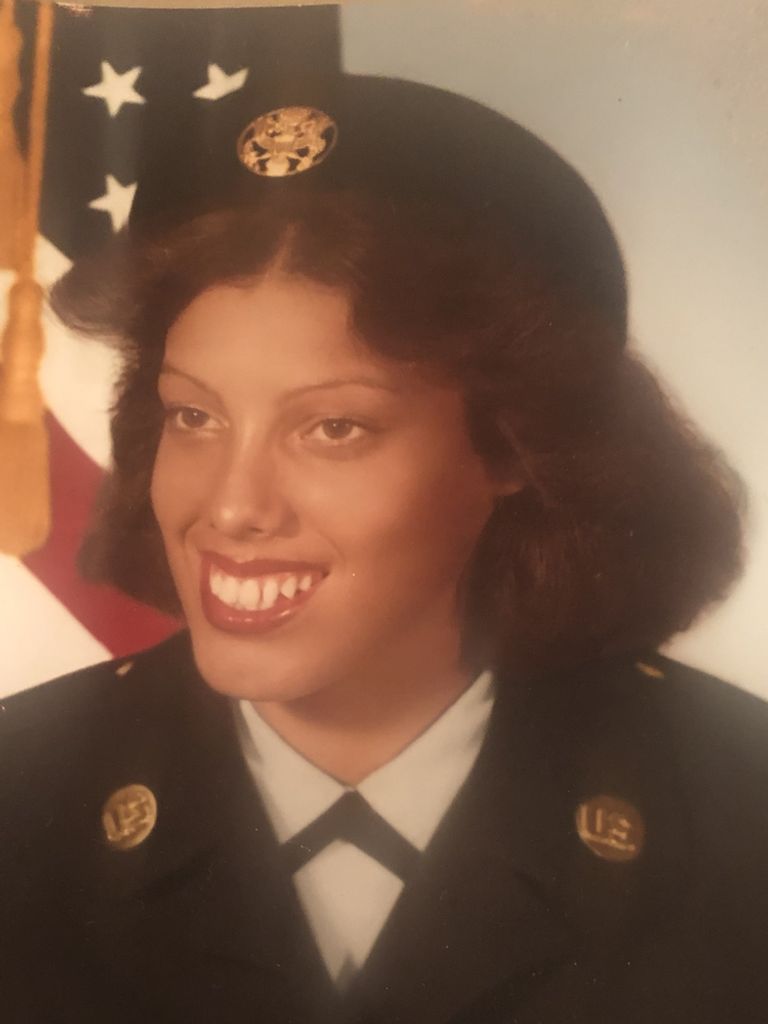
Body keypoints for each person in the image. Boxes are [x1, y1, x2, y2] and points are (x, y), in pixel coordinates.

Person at [1, 74, 767, 1023]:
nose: (231, 508)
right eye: (194, 416)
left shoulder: (744, 809)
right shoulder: (17, 791)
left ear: (515, 450)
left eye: (334, 429)